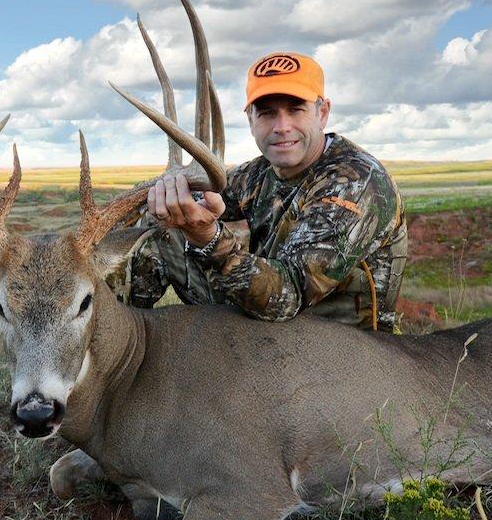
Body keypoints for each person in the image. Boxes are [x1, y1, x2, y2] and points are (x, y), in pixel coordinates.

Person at [119, 51, 407, 331]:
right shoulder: (256, 174)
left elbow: (289, 296)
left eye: (296, 110)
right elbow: (195, 205)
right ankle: (120, 334)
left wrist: (209, 238)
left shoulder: (356, 183)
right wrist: (168, 206)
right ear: (250, 121)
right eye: (267, 113)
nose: (282, 127)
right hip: (267, 325)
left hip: (339, 344)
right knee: (162, 228)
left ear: (322, 113)